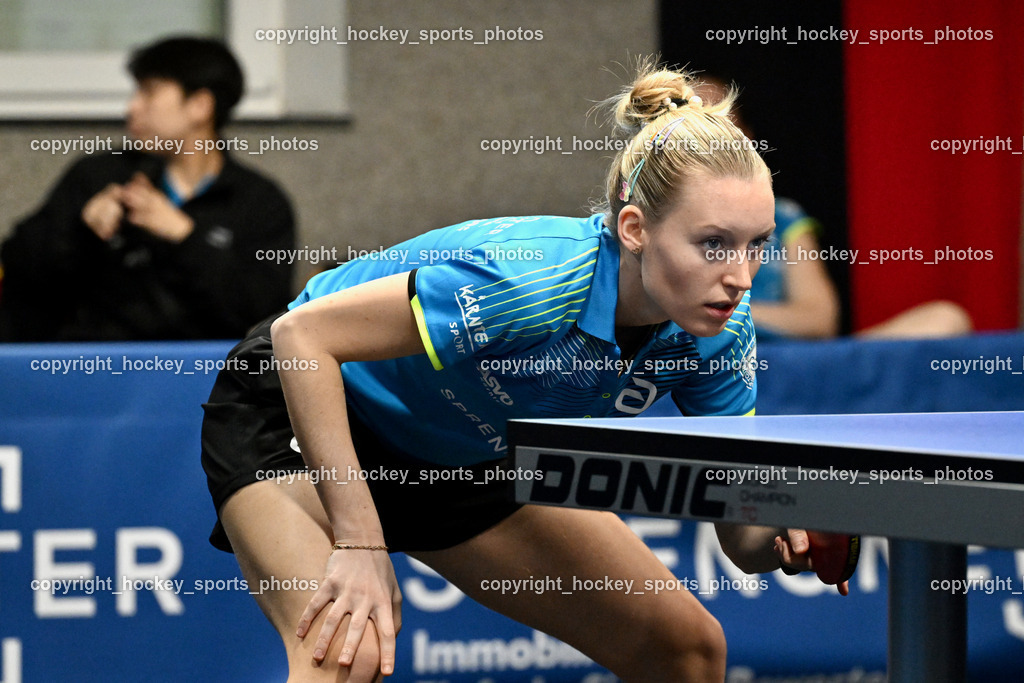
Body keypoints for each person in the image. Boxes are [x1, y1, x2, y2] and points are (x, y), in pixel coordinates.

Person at [201, 60, 840, 682]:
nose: (740, 277)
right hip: (306, 408)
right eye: (713, 245)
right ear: (635, 228)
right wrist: (361, 541)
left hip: (468, 454)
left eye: (757, 246)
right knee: (346, 656)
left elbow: (740, 534)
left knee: (685, 651)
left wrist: (790, 523)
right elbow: (302, 336)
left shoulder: (722, 330)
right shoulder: (533, 278)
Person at [0, 36, 295, 341]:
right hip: (96, 369)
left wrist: (185, 236)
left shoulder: (259, 201)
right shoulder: (99, 175)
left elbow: (266, 315)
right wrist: (82, 230)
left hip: (210, 376)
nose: (132, 107)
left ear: (200, 106)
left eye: (148, 92)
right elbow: (20, 272)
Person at [692, 76, 971, 340]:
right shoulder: (658, 218)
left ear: (747, 139)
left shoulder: (783, 216)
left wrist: (723, 310)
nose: (710, 144)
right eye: (695, 130)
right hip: (706, 363)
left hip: (790, 363)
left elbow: (819, 320)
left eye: (722, 127)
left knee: (946, 318)